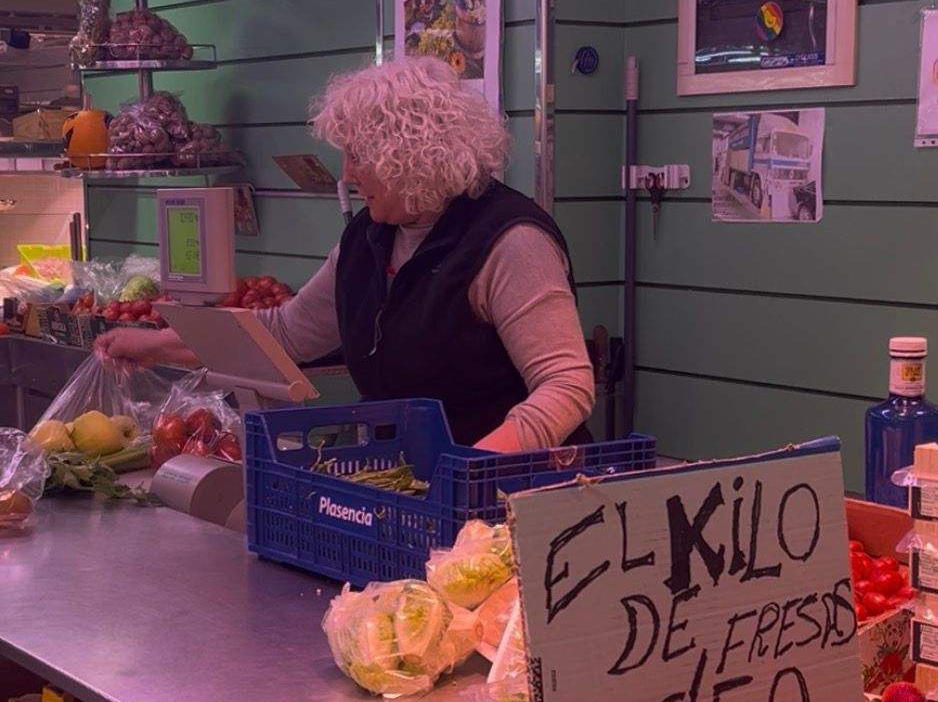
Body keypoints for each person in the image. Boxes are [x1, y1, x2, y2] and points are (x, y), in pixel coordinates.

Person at [100, 57, 596, 451]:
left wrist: (473, 472)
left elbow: (567, 386)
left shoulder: (510, 242)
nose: (347, 174)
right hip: (412, 482)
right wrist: (156, 345)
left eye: (358, 156)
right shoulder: (367, 239)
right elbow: (285, 335)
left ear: (411, 157)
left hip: (508, 497)